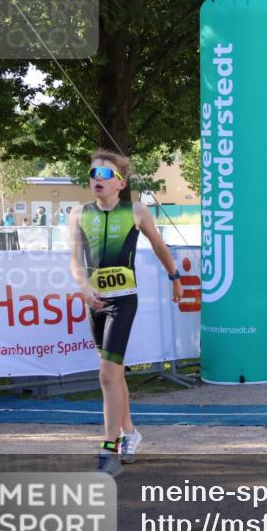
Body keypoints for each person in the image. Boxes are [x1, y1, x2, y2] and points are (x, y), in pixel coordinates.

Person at [69, 149, 183, 477]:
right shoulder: (78, 214)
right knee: (114, 374)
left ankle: (108, 451)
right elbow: (76, 260)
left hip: (123, 300)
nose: (96, 180)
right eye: (93, 174)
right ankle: (130, 433)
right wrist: (83, 286)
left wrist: (174, 277)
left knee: (106, 374)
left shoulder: (136, 211)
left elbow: (160, 246)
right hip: (95, 303)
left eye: (104, 175)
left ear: (120, 182)